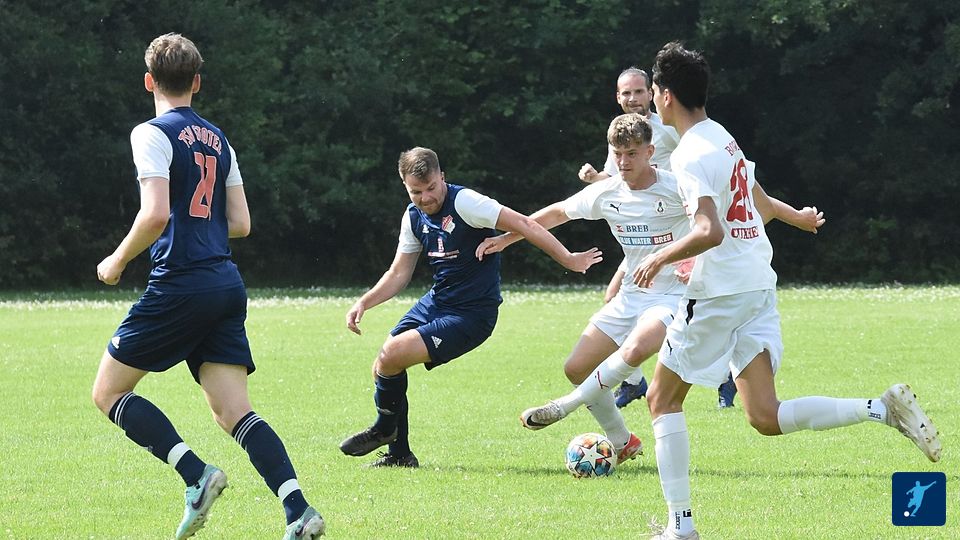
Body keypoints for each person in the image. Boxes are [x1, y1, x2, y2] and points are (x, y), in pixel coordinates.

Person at [635, 41, 940, 540]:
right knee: (764, 415)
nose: (652, 101)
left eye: (653, 92)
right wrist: (797, 217)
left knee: (661, 399)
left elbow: (709, 230)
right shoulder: (722, 137)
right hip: (756, 284)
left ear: (666, 96)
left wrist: (658, 257)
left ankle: (680, 528)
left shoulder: (689, 154)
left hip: (720, 294)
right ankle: (881, 408)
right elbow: (756, 201)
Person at [92, 33, 324, 540]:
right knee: (233, 412)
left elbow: (154, 213)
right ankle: (299, 511)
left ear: (149, 81)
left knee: (108, 392)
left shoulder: (151, 133)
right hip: (224, 282)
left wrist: (116, 260)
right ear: (196, 82)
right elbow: (240, 223)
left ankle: (197, 475)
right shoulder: (220, 139)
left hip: (180, 284)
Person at [339, 147, 602, 467]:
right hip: (437, 302)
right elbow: (399, 273)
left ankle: (384, 430)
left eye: (431, 188)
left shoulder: (466, 202)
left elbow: (525, 224)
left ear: (442, 177)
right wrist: (364, 302)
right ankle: (400, 455)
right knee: (383, 367)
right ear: (405, 186)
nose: (425, 198)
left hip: (472, 314)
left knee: (391, 355)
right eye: (416, 192)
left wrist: (568, 259)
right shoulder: (413, 216)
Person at [479, 113, 689, 463]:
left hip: (673, 296)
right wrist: (506, 239)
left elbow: (715, 225)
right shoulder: (607, 192)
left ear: (650, 151)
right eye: (617, 154)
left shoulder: (677, 188)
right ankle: (622, 440)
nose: (624, 162)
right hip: (631, 295)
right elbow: (556, 213)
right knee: (576, 368)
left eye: (632, 153)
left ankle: (565, 406)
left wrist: (693, 260)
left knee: (636, 349)